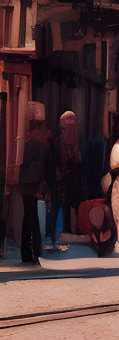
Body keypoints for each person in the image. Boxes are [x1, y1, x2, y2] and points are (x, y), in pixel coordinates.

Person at [16, 106, 50, 265]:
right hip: (34, 185)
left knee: (29, 218)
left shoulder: (28, 141)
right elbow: (42, 167)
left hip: (26, 185)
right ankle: (33, 251)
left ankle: (29, 251)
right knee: (33, 219)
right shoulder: (40, 142)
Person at [51, 109, 83, 247]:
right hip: (68, 178)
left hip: (67, 178)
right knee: (68, 204)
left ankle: (66, 231)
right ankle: (68, 231)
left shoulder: (61, 141)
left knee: (66, 204)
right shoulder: (69, 141)